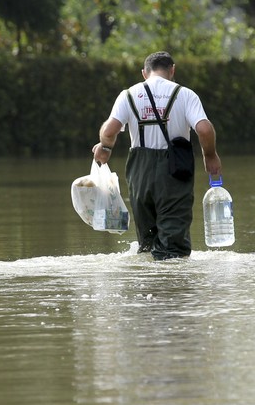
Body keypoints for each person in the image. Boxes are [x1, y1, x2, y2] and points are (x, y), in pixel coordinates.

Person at [92, 51, 222, 260]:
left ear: (144, 73)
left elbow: (109, 131)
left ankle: (151, 288)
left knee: (147, 242)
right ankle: (171, 288)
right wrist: (210, 155)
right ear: (172, 70)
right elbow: (205, 130)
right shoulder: (185, 94)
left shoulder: (128, 94)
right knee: (173, 245)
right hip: (174, 171)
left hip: (139, 172)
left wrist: (105, 148)